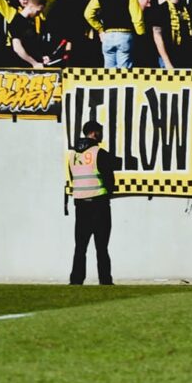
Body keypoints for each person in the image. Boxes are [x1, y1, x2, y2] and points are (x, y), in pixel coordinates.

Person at [67, 120, 119, 285]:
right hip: (99, 204)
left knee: (80, 247)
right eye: (100, 132)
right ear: (94, 133)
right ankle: (105, 280)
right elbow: (109, 178)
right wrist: (109, 192)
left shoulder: (73, 155)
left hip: (80, 205)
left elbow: (73, 176)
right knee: (101, 247)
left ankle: (76, 280)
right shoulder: (99, 152)